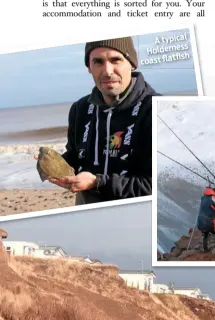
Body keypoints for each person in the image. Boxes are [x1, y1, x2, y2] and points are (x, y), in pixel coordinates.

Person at [43, 37, 158, 205]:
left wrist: (98, 182)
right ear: (89, 68)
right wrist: (52, 163)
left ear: (132, 64)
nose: (107, 71)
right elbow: (76, 156)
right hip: (86, 207)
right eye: (98, 62)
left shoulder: (154, 109)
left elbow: (154, 186)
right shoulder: (80, 108)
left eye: (115, 60)